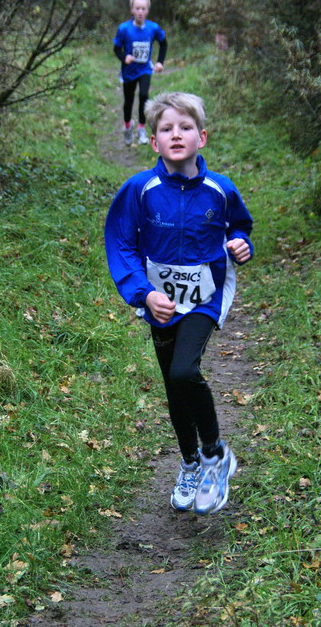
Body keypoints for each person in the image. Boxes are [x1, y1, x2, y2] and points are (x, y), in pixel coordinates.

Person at [104, 92, 253, 515]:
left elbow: (240, 227)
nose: (176, 134)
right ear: (154, 142)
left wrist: (241, 244)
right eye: (167, 129)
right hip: (159, 301)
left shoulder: (220, 189)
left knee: (186, 370)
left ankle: (214, 454)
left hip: (205, 297)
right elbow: (121, 243)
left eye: (185, 127)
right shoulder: (140, 189)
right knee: (172, 383)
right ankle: (188, 463)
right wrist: (145, 293)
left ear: (201, 137)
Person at [113, 0, 167, 147]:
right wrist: (124, 57)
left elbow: (163, 44)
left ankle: (142, 129)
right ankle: (128, 127)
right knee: (128, 101)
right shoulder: (124, 29)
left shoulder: (153, 28)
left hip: (144, 69)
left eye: (143, 9)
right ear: (132, 10)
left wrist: (160, 62)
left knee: (144, 96)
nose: (140, 12)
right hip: (129, 71)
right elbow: (116, 48)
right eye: (137, 8)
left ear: (147, 10)